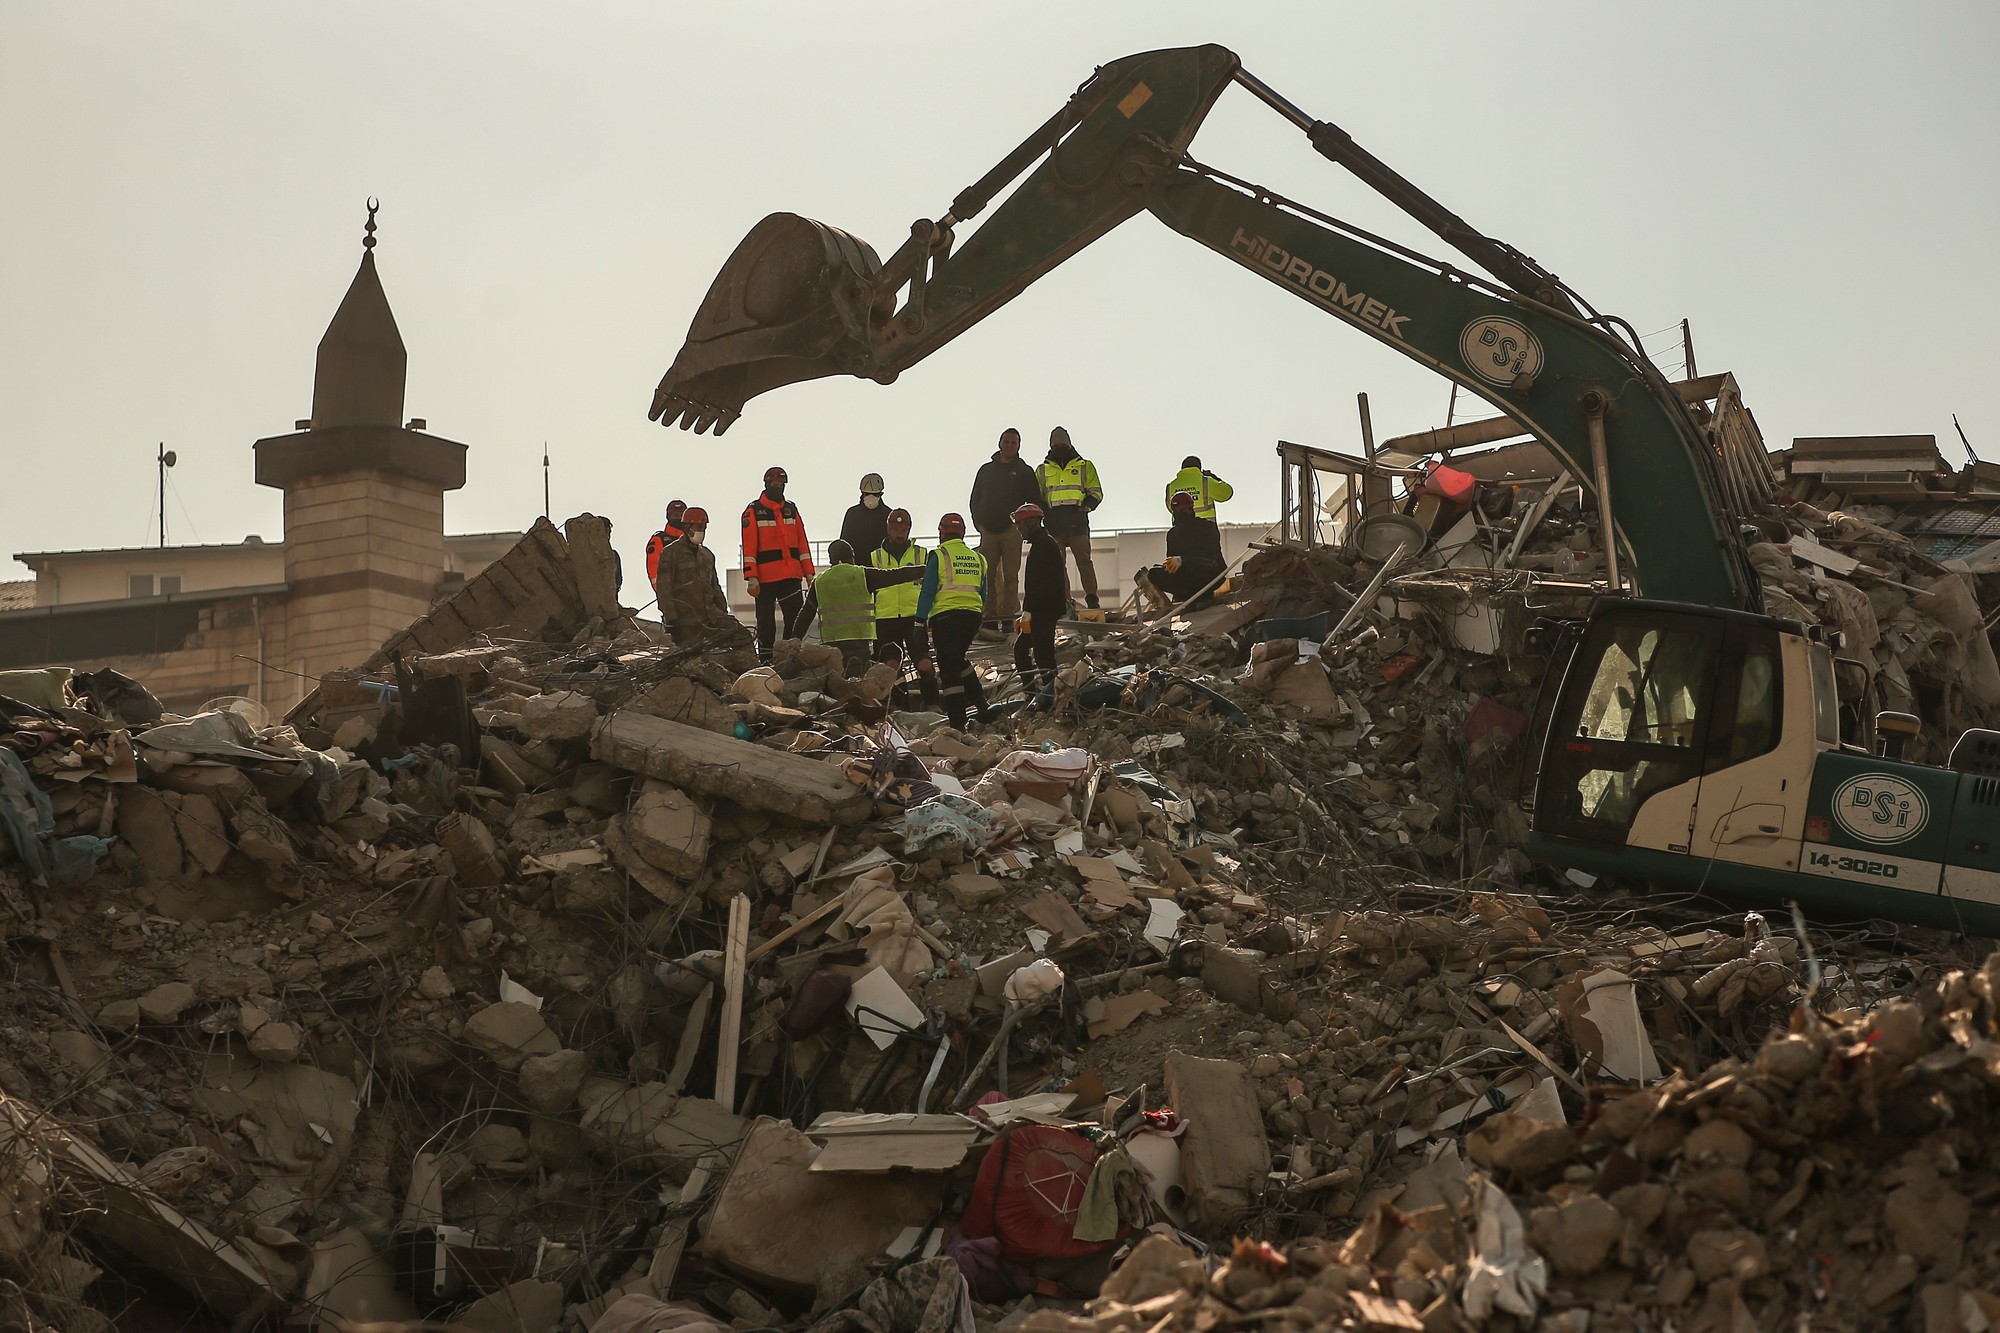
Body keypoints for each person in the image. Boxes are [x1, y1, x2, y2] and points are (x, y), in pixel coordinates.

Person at [793, 538, 923, 678]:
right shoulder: (862, 575)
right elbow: (897, 575)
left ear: (831, 559)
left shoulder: (819, 582)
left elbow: (805, 614)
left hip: (830, 643)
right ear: (852, 556)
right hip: (858, 641)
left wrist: (794, 640)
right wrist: (926, 569)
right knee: (856, 683)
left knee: (835, 682)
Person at [915, 513, 991, 729]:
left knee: (948, 668)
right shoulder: (978, 558)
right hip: (972, 617)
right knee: (957, 659)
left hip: (946, 617)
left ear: (941, 533)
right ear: (963, 533)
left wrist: (919, 621)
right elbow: (984, 592)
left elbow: (928, 591)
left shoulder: (939, 556)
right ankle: (979, 700)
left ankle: (957, 721)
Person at [969, 428, 1040, 632]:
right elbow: (974, 499)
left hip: (1012, 531)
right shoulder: (986, 470)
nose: (1009, 446)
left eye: (1013, 443)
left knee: (1011, 576)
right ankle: (990, 617)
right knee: (987, 576)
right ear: (1000, 443)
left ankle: (1008, 616)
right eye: (1006, 442)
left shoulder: (1025, 471)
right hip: (988, 532)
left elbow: (1034, 501)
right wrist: (978, 523)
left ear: (1018, 446)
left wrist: (1022, 525)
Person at [741, 466, 814, 662]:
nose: (778, 488)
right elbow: (749, 547)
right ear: (766, 484)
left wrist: (809, 573)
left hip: (791, 575)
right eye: (775, 484)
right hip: (765, 578)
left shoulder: (791, 509)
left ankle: (788, 656)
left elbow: (802, 543)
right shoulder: (753, 511)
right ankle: (765, 659)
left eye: (782, 485)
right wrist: (751, 577)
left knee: (796, 619)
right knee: (766, 623)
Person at [653, 508, 748, 649]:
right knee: (690, 655)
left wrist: (723, 612)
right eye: (698, 527)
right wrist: (672, 618)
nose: (701, 532)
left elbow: (714, 586)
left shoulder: (707, 555)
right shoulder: (671, 553)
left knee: (742, 635)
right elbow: (664, 589)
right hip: (686, 623)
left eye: (704, 528)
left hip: (711, 619)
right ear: (686, 527)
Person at [870, 508, 938, 706]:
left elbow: (932, 587)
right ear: (888, 529)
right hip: (885, 618)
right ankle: (898, 706)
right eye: (895, 528)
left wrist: (930, 617)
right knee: (890, 666)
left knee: (924, 663)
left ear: (909, 530)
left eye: (903, 529)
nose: (899, 533)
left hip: (914, 616)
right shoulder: (875, 557)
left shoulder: (922, 554)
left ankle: (932, 704)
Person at [1036, 426, 1103, 610]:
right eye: (1056, 443)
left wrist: (1084, 508)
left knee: (1084, 560)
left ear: (1069, 442)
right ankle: (1064, 600)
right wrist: (1045, 514)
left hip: (1077, 521)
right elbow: (1038, 496)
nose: (1060, 446)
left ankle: (1092, 599)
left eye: (1062, 442)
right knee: (1057, 564)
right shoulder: (1042, 470)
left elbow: (1096, 492)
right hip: (1054, 522)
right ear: (1051, 444)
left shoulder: (1084, 466)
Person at [1011, 502, 1065, 706]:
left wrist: (1029, 612)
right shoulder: (1043, 544)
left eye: (1021, 524)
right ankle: (1038, 696)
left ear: (1033, 523)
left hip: (1044, 610)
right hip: (1042, 610)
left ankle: (1047, 698)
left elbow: (1040, 585)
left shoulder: (1044, 545)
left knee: (1043, 655)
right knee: (1032, 652)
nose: (1019, 529)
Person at [1136, 490, 1226, 610]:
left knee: (1198, 566)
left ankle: (1205, 598)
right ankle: (1184, 597)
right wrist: (1169, 566)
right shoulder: (1173, 534)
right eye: (1179, 511)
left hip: (1210, 574)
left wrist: (1183, 559)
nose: (1183, 514)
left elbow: (1210, 554)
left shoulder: (1206, 527)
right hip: (1188, 577)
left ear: (1191, 509)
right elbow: (1171, 561)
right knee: (1154, 573)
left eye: (1185, 510)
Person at [838, 472, 891, 563]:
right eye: (868, 494)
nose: (871, 497)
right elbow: (844, 545)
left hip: (882, 571)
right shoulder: (852, 514)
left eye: (875, 494)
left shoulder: (889, 515)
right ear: (862, 493)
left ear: (880, 494)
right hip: (857, 570)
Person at [1163, 456, 1232, 520]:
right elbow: (1227, 493)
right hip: (1205, 530)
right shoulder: (1206, 481)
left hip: (1181, 531)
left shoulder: (1171, 486)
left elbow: (1170, 508)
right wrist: (1214, 478)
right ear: (1199, 469)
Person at [643, 500, 688, 592]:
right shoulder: (659, 540)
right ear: (668, 516)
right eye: (675, 515)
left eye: (682, 515)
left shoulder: (692, 540)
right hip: (671, 594)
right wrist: (662, 592)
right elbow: (653, 567)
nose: (679, 518)